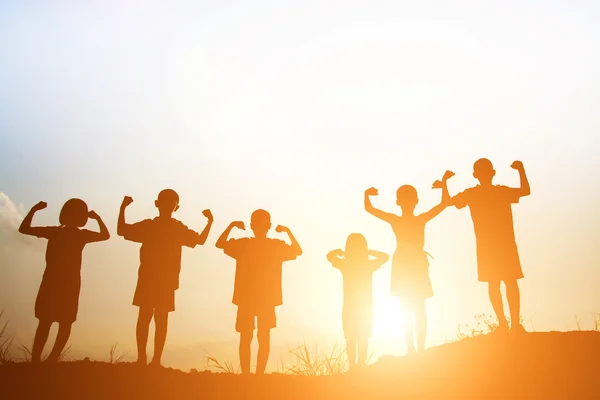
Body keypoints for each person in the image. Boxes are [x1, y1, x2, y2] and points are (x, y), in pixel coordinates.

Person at [117, 189, 213, 367]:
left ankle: (153, 360)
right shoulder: (156, 226)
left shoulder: (174, 228)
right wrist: (122, 208)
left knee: (157, 318)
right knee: (149, 317)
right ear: (157, 204)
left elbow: (198, 240)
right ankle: (143, 359)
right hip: (150, 278)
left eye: (172, 202)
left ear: (176, 207)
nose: (169, 205)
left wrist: (210, 222)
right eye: (166, 201)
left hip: (164, 280)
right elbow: (122, 230)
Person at [364, 170, 454, 354]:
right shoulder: (420, 219)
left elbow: (369, 209)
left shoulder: (396, 220)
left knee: (407, 307)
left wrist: (366, 195)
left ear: (398, 202)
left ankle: (412, 348)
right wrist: (444, 184)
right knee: (418, 307)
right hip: (414, 263)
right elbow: (444, 203)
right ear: (417, 201)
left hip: (405, 263)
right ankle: (418, 348)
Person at [18, 199, 110, 363]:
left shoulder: (57, 232)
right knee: (62, 322)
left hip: (55, 280)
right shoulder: (79, 234)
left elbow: (24, 229)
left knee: (49, 322)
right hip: (65, 282)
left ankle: (38, 359)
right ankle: (50, 357)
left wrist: (34, 209)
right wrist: (97, 218)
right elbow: (105, 235)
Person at [449, 159, 530, 334]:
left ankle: (510, 324)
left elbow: (525, 191)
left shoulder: (490, 192)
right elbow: (450, 202)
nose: (485, 175)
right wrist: (520, 170)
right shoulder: (484, 193)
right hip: (496, 245)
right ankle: (508, 324)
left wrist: (445, 184)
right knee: (503, 283)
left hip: (498, 244)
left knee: (503, 283)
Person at [215, 209, 302, 375]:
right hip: (257, 297)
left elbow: (220, 244)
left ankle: (252, 375)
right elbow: (297, 250)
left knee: (253, 337)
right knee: (257, 336)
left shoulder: (255, 245)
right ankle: (253, 375)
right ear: (256, 226)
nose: (261, 227)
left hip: (256, 297)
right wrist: (288, 232)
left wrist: (232, 226)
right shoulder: (266, 245)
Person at [327, 234, 389, 370]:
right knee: (363, 336)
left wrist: (338, 252)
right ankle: (361, 365)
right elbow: (385, 257)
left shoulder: (345, 264)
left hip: (349, 306)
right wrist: (370, 252)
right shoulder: (368, 264)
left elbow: (329, 256)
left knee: (351, 336)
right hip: (366, 306)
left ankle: (353, 366)